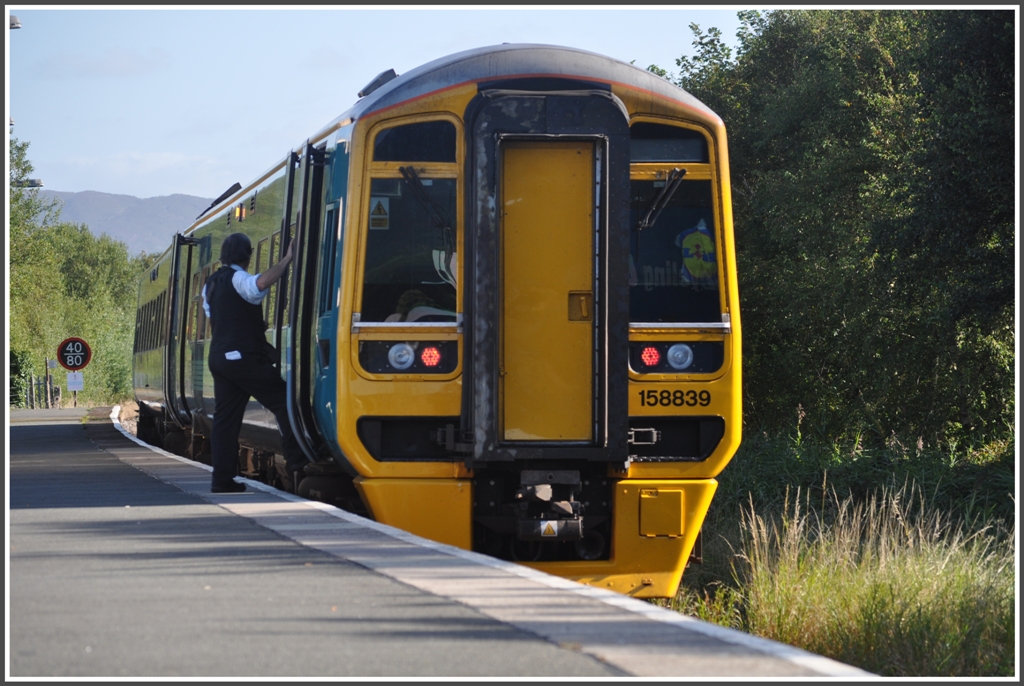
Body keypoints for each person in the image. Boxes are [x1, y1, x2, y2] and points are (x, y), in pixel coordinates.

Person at [202, 232, 306, 493]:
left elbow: (222, 316)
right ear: (247, 256)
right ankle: (297, 460)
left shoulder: (210, 284)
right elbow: (258, 285)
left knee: (225, 422)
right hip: (242, 358)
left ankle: (221, 480)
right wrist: (287, 260)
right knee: (284, 400)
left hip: (219, 358)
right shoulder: (238, 277)